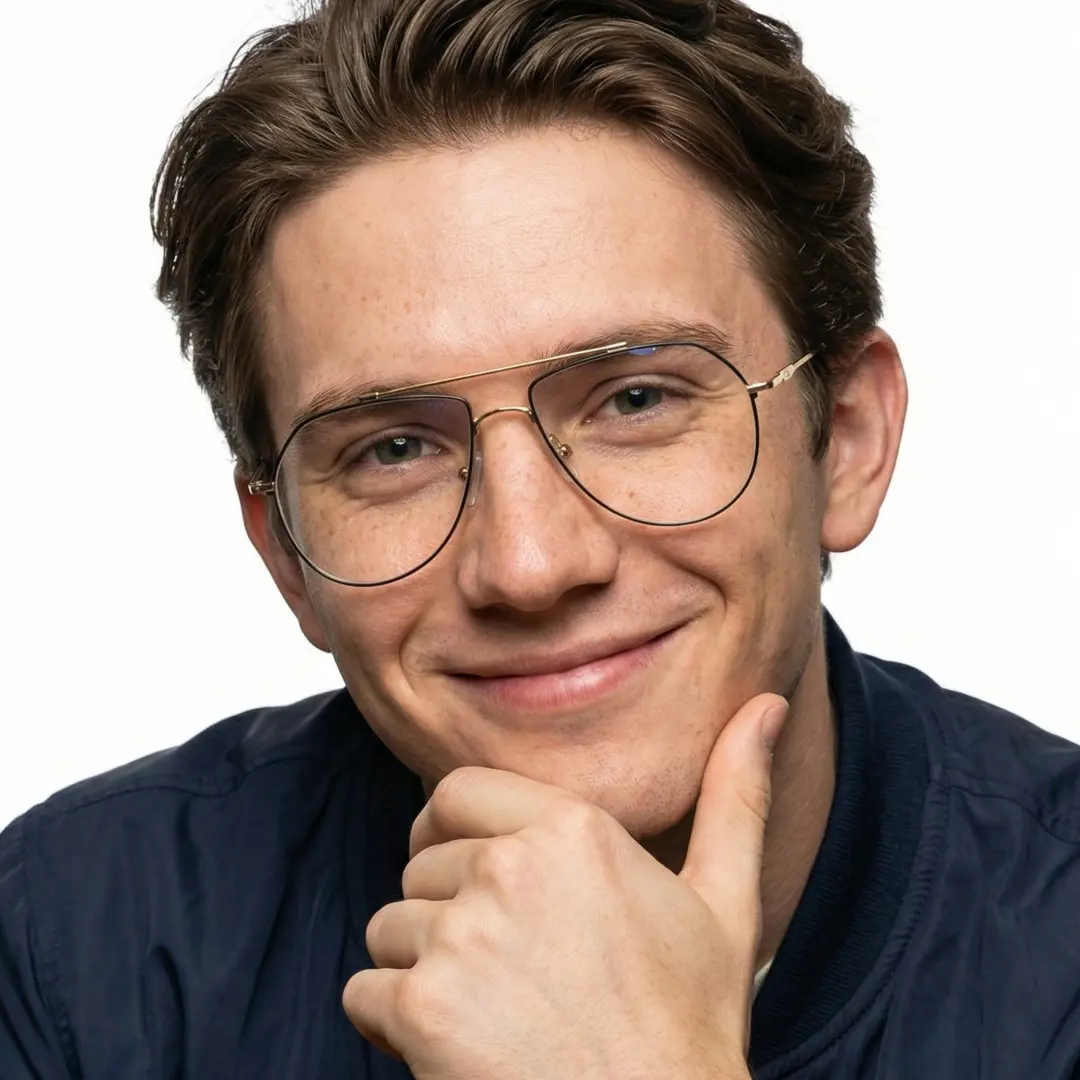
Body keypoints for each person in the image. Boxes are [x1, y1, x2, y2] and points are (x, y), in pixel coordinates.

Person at [2, 0, 1078, 1076]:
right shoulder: (74, 952)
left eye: (638, 399)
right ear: (285, 554)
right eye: (391, 452)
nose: (530, 564)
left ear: (844, 441)